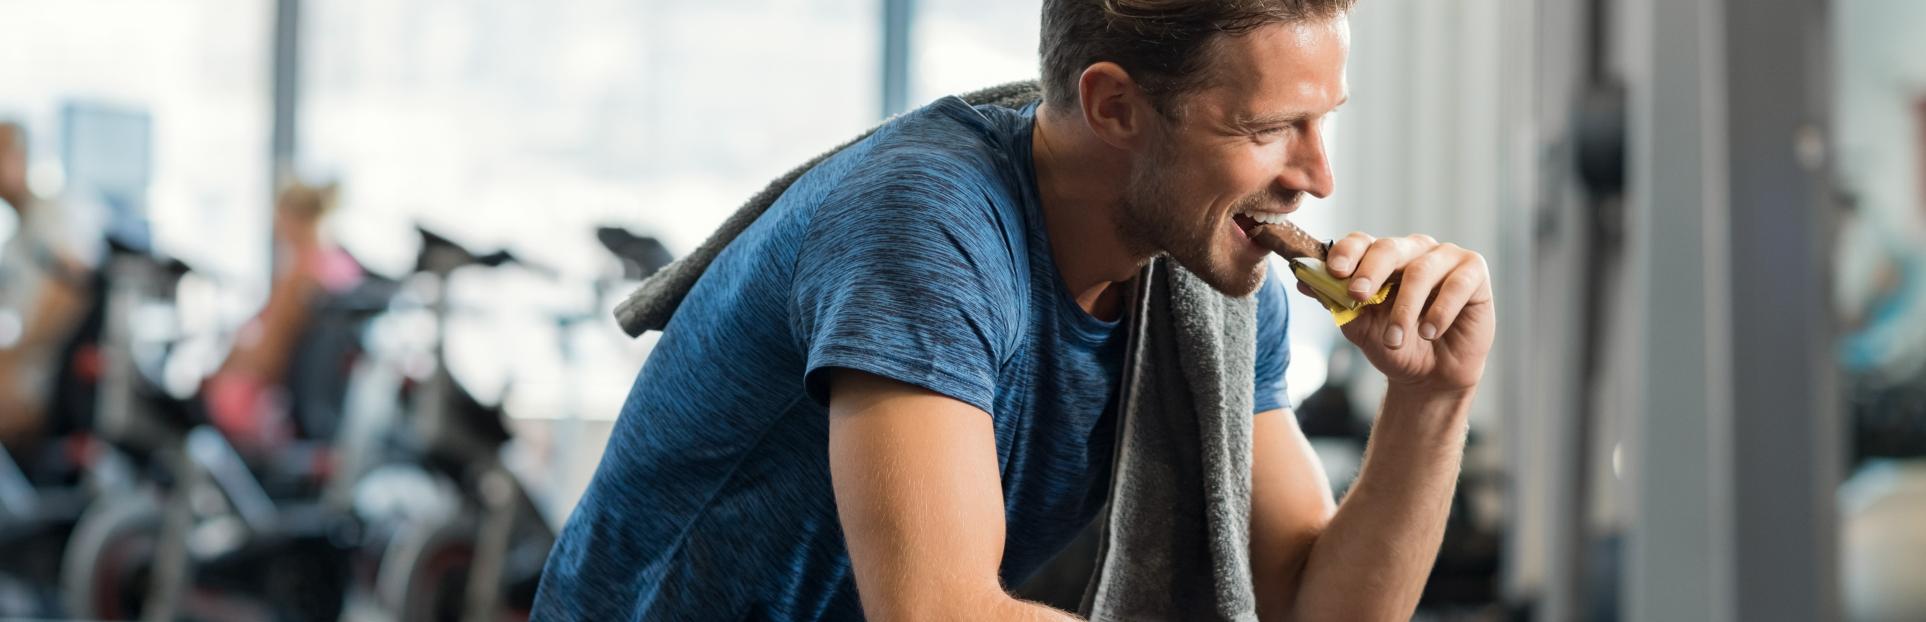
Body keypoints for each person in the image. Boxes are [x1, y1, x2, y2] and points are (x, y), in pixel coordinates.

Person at [534, 0, 1494, 619]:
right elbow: (938, 613)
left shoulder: (1210, 266)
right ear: (1114, 106)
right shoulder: (924, 222)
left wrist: (1433, 400)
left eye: (1325, 121)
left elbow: (1307, 611)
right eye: (1270, 128)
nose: (1318, 177)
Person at [202, 180, 362, 455]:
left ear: (288, 218)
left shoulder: (300, 275)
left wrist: (221, 369)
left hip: (277, 407)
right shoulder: (344, 266)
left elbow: (270, 360)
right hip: (328, 407)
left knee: (199, 402)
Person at [0, 121, 99, 447]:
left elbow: (70, 290)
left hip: (47, 381)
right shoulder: (15, 240)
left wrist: (15, 359)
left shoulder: (54, 215)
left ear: (21, 156)